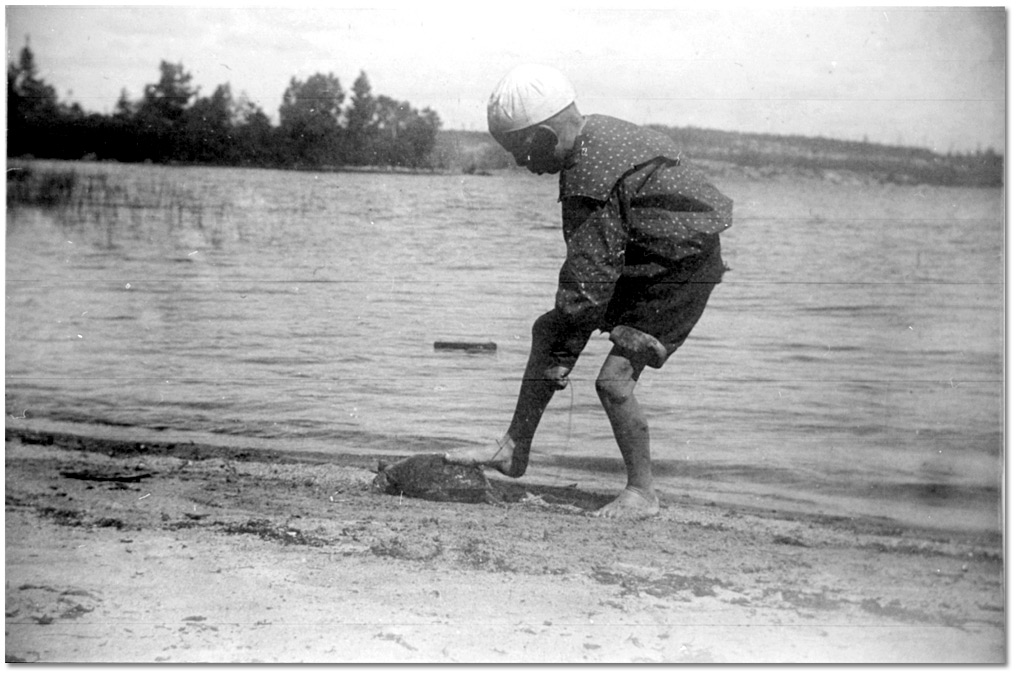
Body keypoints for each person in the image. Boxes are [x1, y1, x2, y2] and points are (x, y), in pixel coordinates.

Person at [446, 64, 732, 518]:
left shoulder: (589, 176)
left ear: (542, 137)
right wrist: (559, 342)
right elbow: (593, 273)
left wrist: (564, 346)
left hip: (679, 272)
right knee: (550, 330)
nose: (522, 165)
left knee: (612, 382)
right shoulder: (596, 133)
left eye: (521, 153)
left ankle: (643, 493)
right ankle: (512, 448)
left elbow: (587, 280)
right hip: (645, 257)